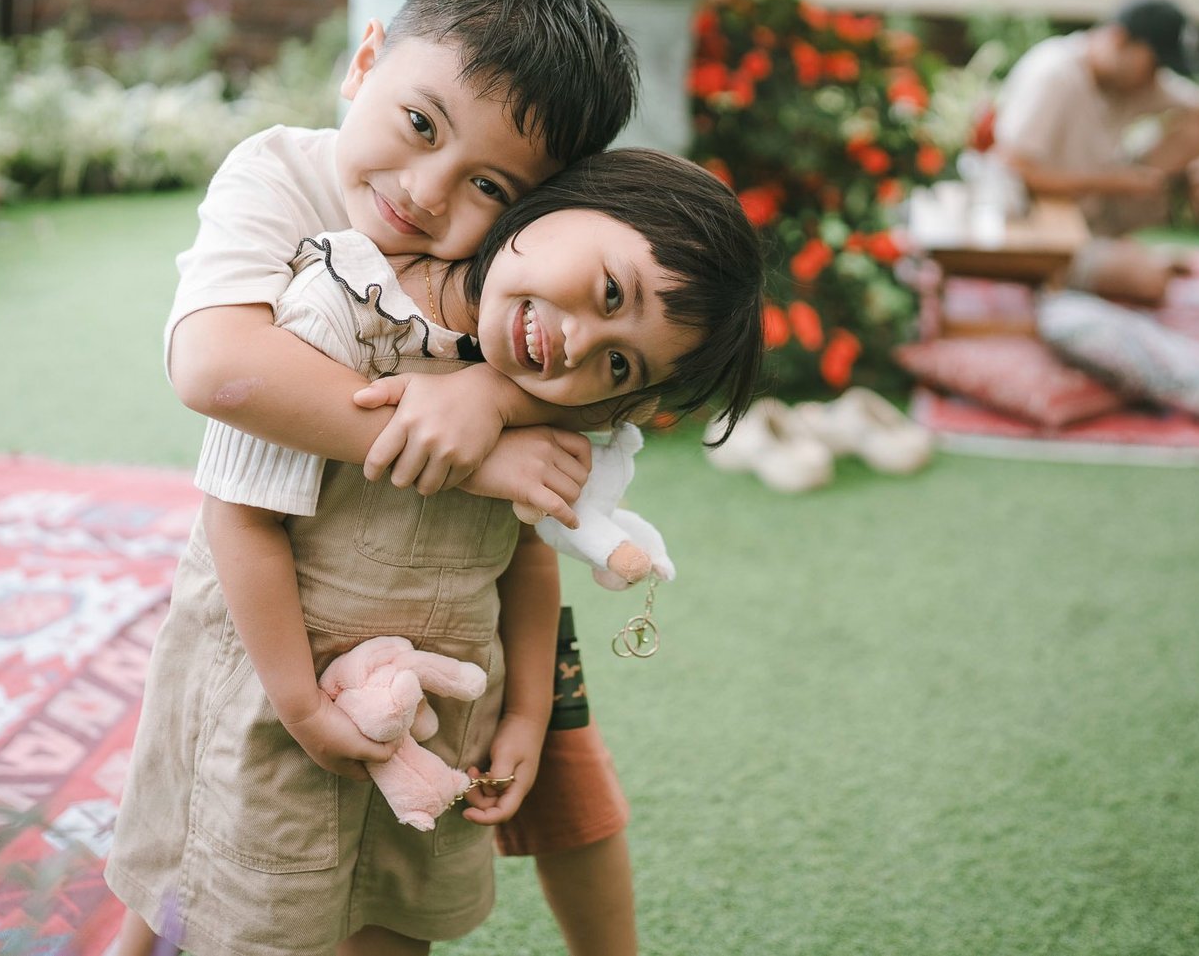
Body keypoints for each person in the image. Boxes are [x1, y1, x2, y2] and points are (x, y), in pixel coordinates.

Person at [108, 0, 643, 956]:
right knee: (196, 863)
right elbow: (218, 366)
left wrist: (493, 391)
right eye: (418, 124)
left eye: (487, 182)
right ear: (365, 63)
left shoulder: (503, 268)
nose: (429, 192)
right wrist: (469, 448)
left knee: (398, 882)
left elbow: (558, 397)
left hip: (441, 641)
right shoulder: (279, 176)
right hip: (278, 609)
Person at [105, 150, 766, 954]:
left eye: (617, 362)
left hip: (434, 732)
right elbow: (239, 517)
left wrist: (526, 710)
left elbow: (525, 553)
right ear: (565, 196)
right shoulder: (346, 310)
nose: (575, 343)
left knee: (394, 913)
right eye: (609, 292)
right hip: (276, 702)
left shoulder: (546, 403)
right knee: (226, 899)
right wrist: (303, 708)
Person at [993, 0, 1199, 303]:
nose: (1158, 76)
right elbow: (1015, 167)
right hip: (1040, 221)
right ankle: (1095, 265)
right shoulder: (1054, 74)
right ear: (1119, 40)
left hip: (1099, 206)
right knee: (1148, 282)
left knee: (1193, 129)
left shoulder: (1137, 80)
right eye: (1155, 63)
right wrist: (1114, 182)